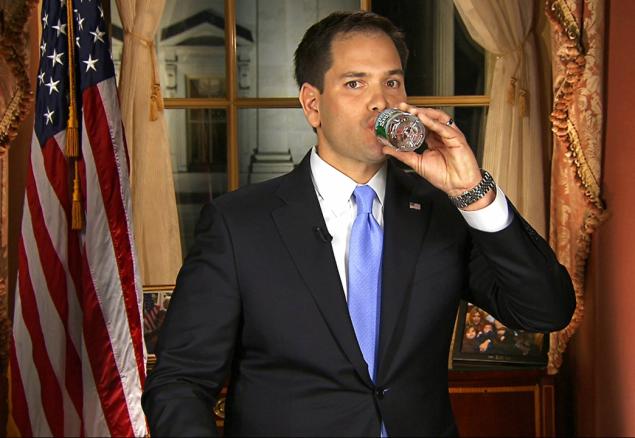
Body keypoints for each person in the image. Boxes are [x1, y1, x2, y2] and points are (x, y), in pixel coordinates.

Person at [142, 11, 575, 437]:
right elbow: (180, 382)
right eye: (355, 83)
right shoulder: (238, 224)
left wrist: (473, 192)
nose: (380, 101)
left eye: (392, 82)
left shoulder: (444, 211)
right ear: (312, 104)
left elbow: (546, 310)